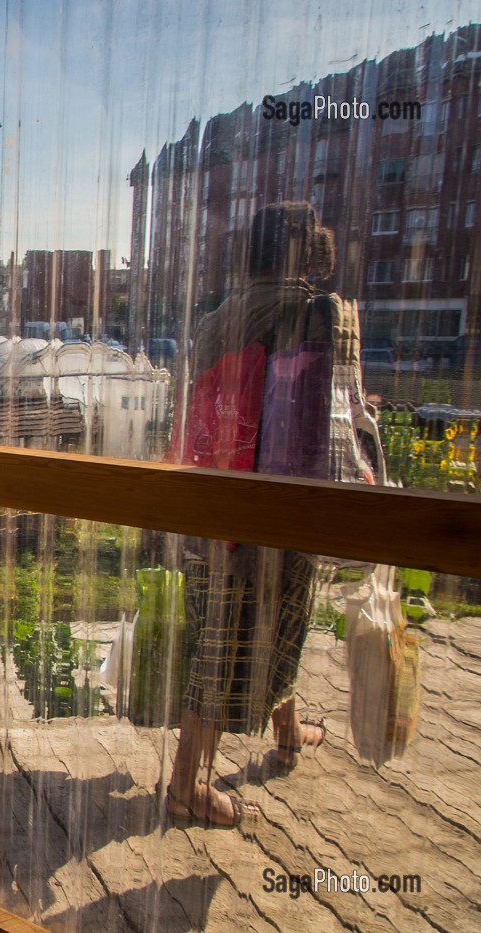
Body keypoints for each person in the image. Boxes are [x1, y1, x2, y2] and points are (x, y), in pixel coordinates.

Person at [164, 202, 381, 828]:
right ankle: (185, 788)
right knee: (247, 640)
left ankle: (285, 732)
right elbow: (338, 415)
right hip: (280, 510)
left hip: (214, 504)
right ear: (308, 251)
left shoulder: (214, 321)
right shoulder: (322, 314)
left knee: (229, 632)